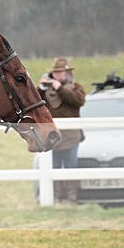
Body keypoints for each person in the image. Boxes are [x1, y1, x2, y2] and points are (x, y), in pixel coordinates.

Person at [38, 57, 86, 203]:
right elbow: (35, 103)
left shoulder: (76, 87)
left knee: (71, 167)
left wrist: (60, 88)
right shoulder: (46, 90)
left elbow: (78, 101)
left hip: (71, 136)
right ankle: (56, 199)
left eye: (61, 72)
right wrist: (40, 89)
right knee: (54, 168)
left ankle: (71, 199)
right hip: (53, 137)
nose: (58, 74)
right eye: (56, 72)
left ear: (67, 72)